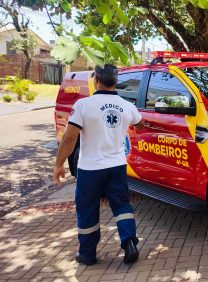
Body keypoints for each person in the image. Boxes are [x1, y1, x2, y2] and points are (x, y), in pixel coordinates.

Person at [53, 64, 145, 266]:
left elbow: (69, 138)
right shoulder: (126, 105)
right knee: (122, 206)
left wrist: (59, 164)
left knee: (87, 209)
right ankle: (130, 244)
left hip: (90, 170)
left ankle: (87, 254)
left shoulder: (84, 105)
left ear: (96, 81)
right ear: (116, 81)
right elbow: (140, 124)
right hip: (117, 167)